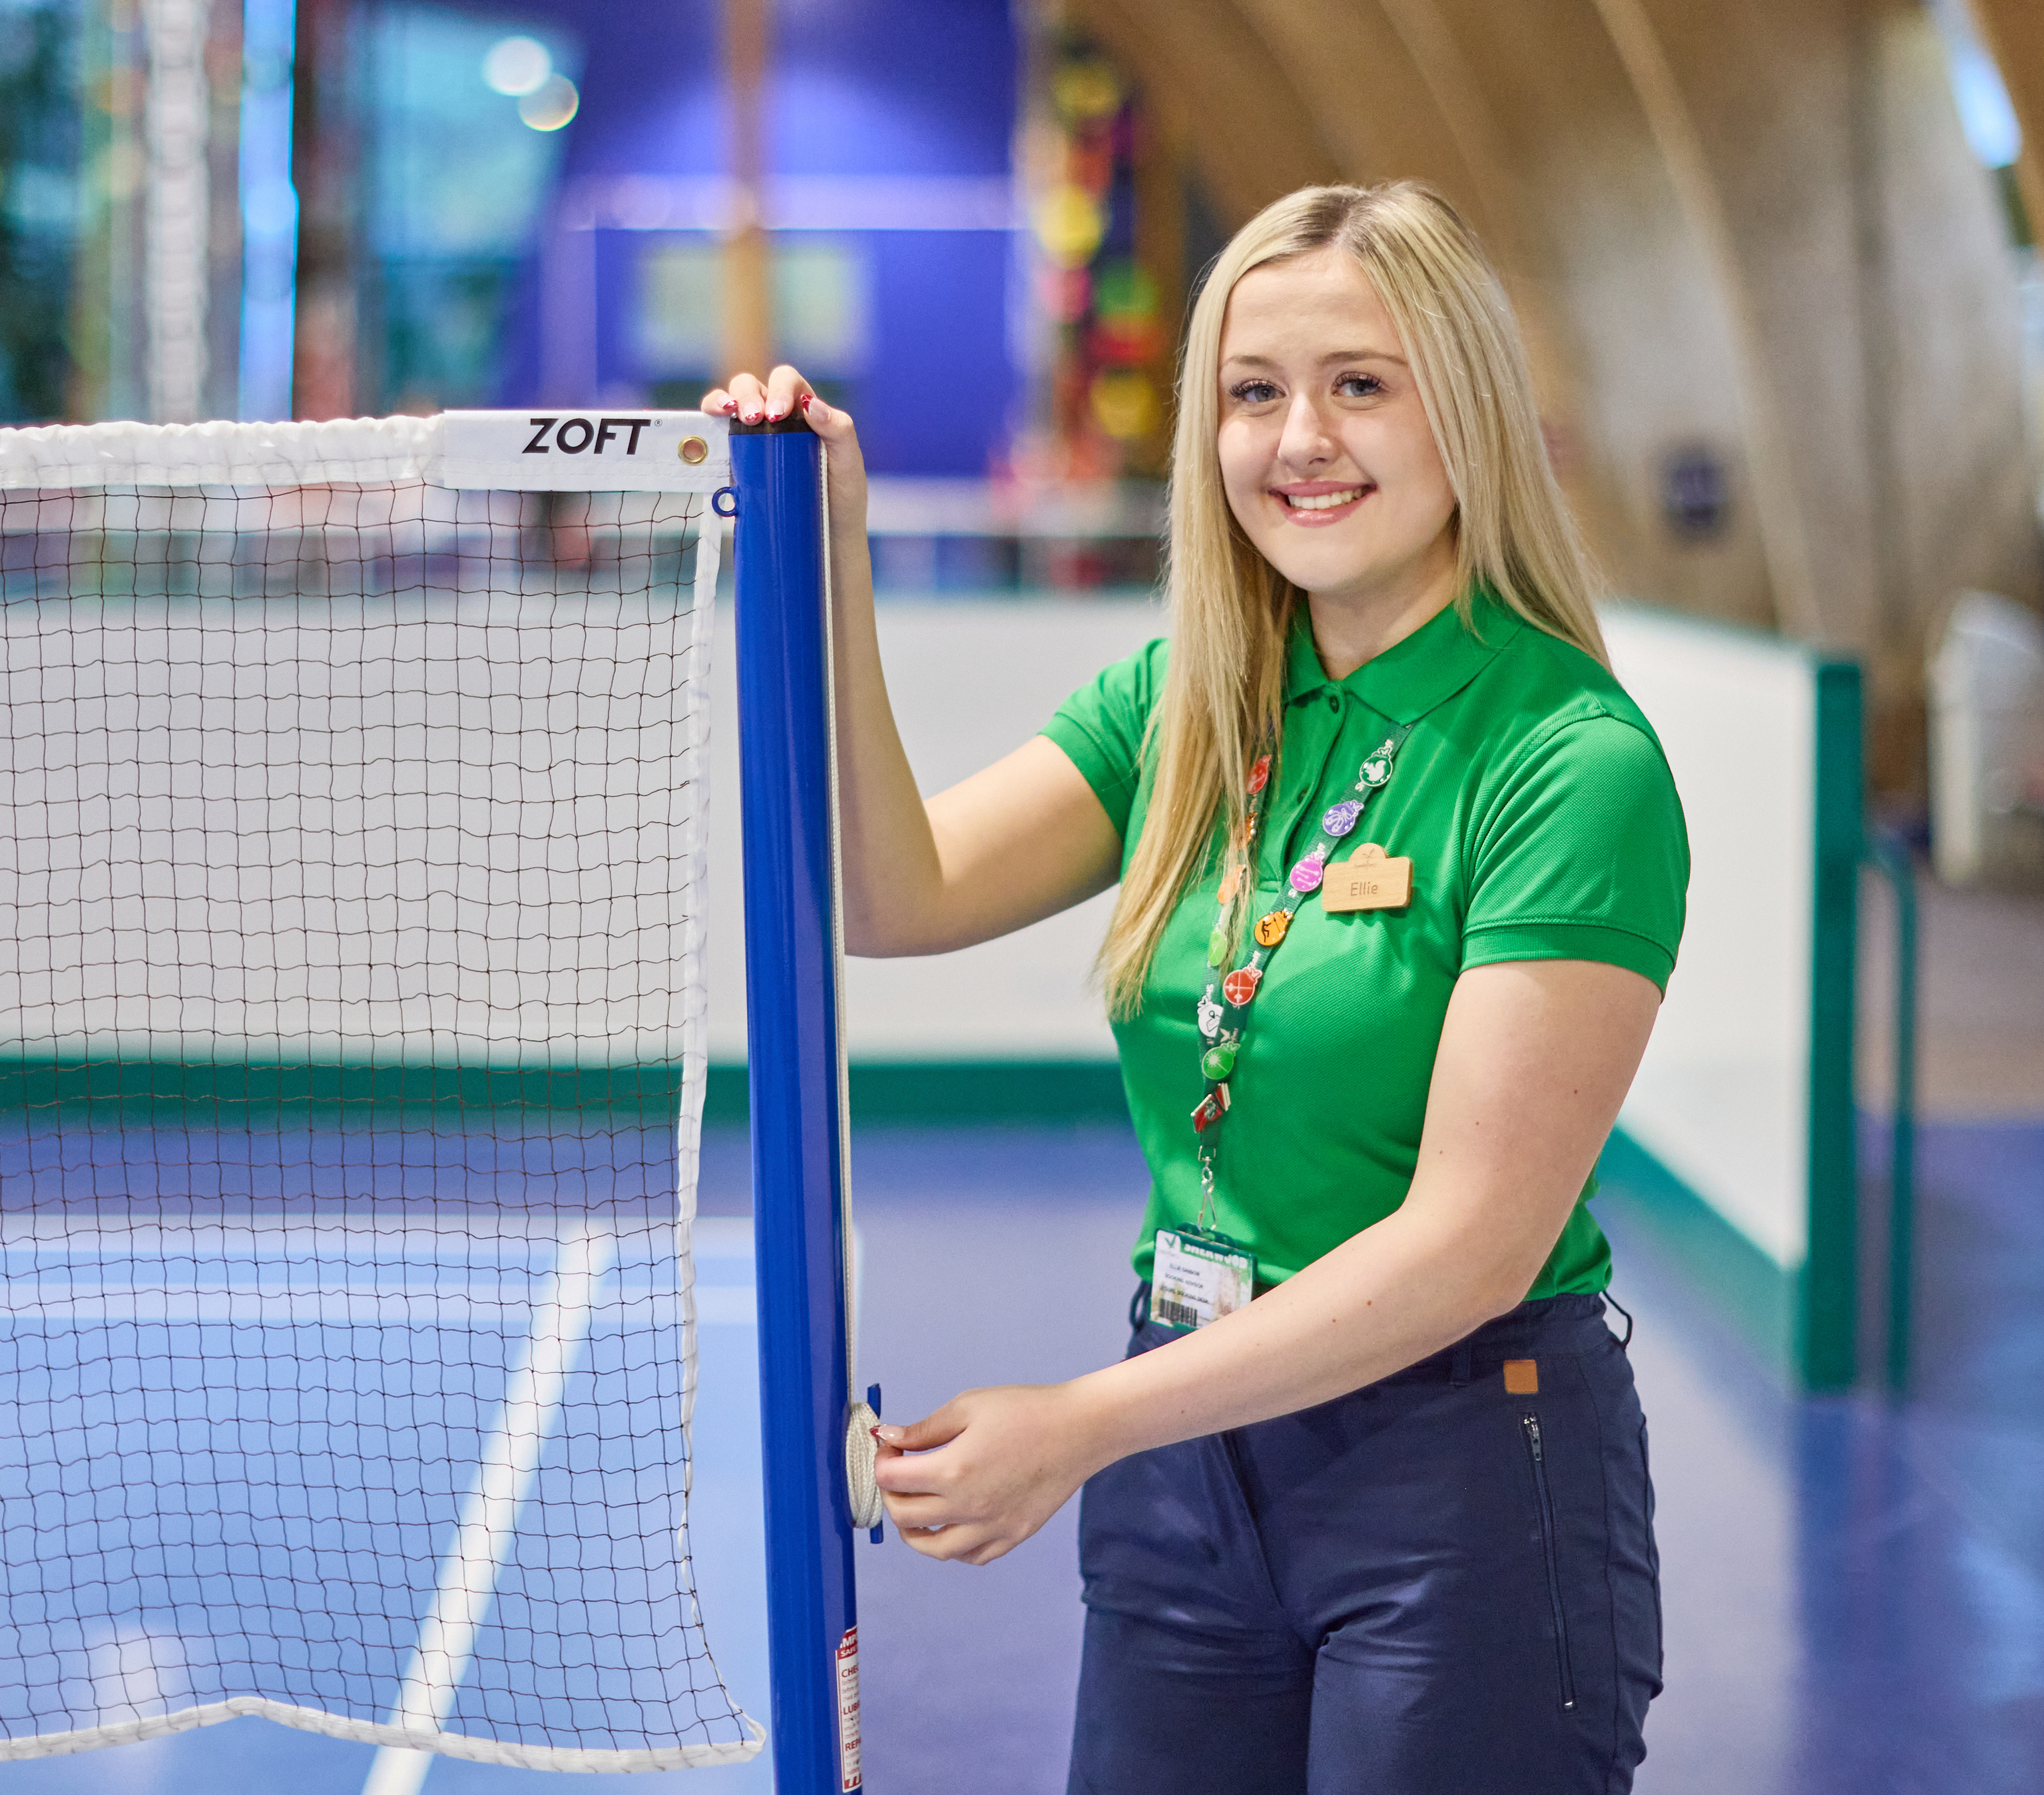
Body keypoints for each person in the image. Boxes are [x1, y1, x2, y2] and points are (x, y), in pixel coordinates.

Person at [704, 180, 1687, 1795]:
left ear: (1470, 412)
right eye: (1253, 392)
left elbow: (1467, 1248)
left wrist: (1082, 1423)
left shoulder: (1568, 763)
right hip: (1189, 1464)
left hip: (1458, 1475)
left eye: (1360, 384)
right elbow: (889, 896)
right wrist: (833, 554)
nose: (1300, 438)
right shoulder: (1188, 698)